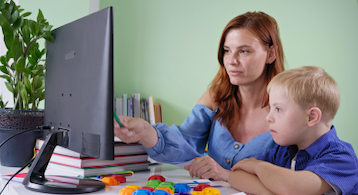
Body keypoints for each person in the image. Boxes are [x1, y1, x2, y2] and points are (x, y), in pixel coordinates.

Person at [114, 11, 285, 181]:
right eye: (227, 50)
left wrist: (226, 175)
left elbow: (298, 182)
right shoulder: (215, 97)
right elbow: (183, 142)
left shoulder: (291, 108)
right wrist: (145, 131)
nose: (231, 60)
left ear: (271, 54)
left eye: (244, 51)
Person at [228, 66, 358, 195]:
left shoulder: (341, 157)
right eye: (270, 108)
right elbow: (236, 175)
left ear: (311, 117)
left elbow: (294, 187)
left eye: (278, 109)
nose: (268, 118)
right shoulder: (283, 151)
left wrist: (258, 166)